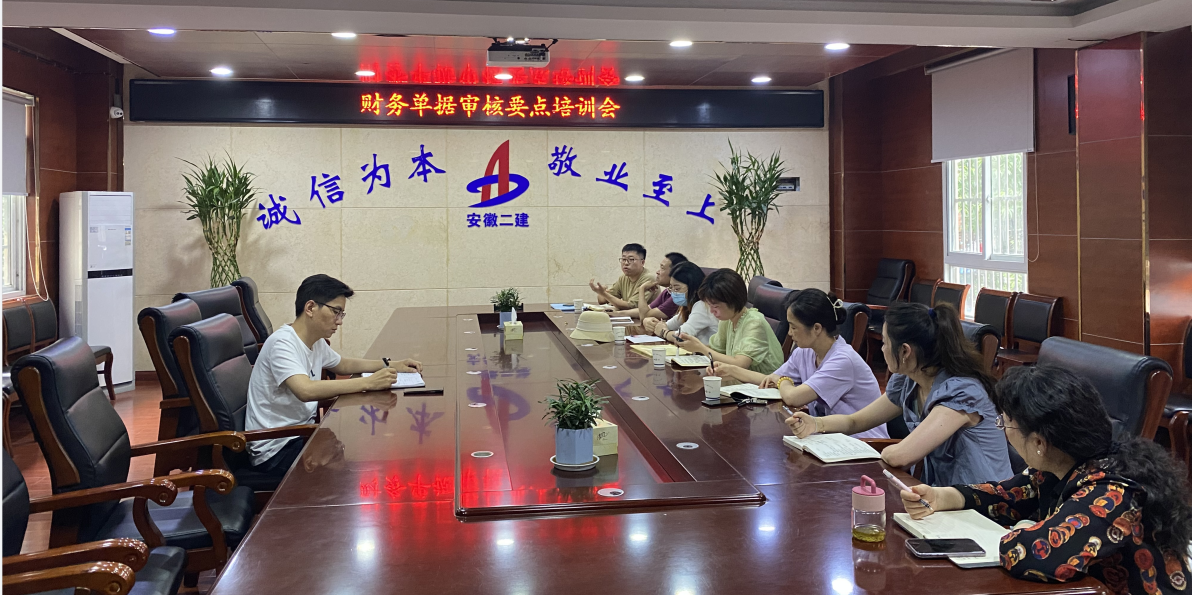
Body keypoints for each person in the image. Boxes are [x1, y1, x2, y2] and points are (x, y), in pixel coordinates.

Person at [899, 365, 1192, 594]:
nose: (1003, 430)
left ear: (1039, 442)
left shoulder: (1111, 494)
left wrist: (1025, 529)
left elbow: (1033, 555)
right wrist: (943, 496)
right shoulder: (1063, 465)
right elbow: (1008, 496)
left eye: (1005, 423)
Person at [786, 302, 1010, 486]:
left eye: (885, 343)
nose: (882, 349)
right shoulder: (908, 381)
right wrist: (815, 424)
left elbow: (901, 456)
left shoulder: (962, 392)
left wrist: (878, 451)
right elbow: (855, 421)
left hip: (984, 504)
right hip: (942, 498)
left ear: (904, 351)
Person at [246, 274, 423, 477]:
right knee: (356, 468)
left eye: (342, 314)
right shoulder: (282, 343)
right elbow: (305, 390)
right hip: (276, 449)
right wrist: (368, 383)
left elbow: (343, 364)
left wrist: (390, 364)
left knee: (364, 448)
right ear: (310, 308)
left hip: (300, 434)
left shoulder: (314, 341)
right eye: (335, 312)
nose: (339, 321)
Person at [709, 288, 887, 439]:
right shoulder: (805, 351)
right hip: (828, 436)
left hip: (862, 442)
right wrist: (731, 370)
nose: (789, 333)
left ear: (816, 328)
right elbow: (770, 379)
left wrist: (782, 381)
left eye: (794, 327)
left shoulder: (842, 360)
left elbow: (793, 397)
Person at [673, 268, 783, 374]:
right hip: (736, 379)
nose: (711, 311)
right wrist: (693, 346)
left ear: (733, 301)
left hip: (763, 383)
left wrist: (700, 348)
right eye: (709, 305)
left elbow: (740, 364)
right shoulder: (727, 319)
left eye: (715, 306)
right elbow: (717, 349)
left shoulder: (754, 323)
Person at [643, 261, 718, 345]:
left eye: (677, 289)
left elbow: (682, 336)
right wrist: (649, 322)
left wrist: (664, 332)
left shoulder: (703, 306)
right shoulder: (687, 307)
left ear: (693, 288)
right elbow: (667, 325)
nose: (673, 293)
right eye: (671, 288)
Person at [617, 252, 687, 320]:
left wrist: (642, 289)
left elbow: (644, 315)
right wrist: (616, 313)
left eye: (662, 268)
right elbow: (647, 309)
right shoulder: (666, 292)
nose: (657, 272)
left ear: (675, 272)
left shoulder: (678, 297)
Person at [589, 243, 657, 311]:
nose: (626, 263)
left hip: (648, 317)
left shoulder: (649, 279)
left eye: (631, 259)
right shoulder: (623, 278)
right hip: (629, 316)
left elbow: (631, 306)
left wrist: (604, 294)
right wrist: (601, 292)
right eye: (623, 259)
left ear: (642, 262)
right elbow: (602, 301)